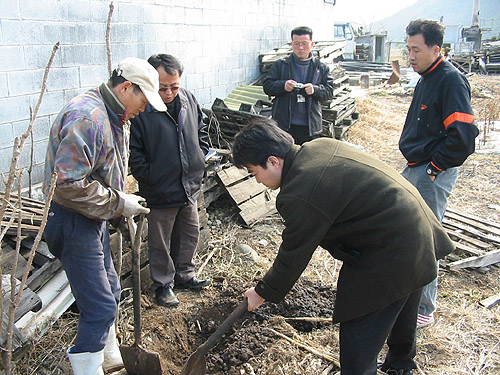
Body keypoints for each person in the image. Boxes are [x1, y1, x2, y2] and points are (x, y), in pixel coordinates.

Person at [232, 118, 456, 375]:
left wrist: (263, 291)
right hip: (415, 229)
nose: (256, 181)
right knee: (402, 306)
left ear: (273, 161)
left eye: (253, 172)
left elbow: (294, 253)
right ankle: (401, 366)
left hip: (390, 248)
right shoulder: (319, 146)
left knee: (358, 342)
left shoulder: (299, 191)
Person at [43, 57, 166, 375]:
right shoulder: (89, 117)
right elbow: (68, 185)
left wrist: (121, 198)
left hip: (91, 216)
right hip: (73, 219)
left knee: (110, 291)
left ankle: (109, 359)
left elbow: (103, 166)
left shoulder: (113, 115)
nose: (144, 108)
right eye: (143, 99)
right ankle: (88, 369)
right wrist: (118, 203)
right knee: (98, 307)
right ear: (126, 87)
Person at [400, 19, 479, 328]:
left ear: (436, 49)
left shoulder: (451, 81)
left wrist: (434, 168)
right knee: (409, 231)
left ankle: (424, 308)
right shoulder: (425, 77)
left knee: (425, 237)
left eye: (416, 50)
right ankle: (411, 295)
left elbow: (462, 136)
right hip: (416, 166)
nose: (411, 56)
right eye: (408, 50)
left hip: (431, 172)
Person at [129, 54, 211, 308]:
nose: (169, 93)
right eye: (162, 87)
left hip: (189, 182)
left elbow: (202, 128)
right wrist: (150, 176)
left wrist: (201, 155)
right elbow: (133, 150)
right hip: (160, 187)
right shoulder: (142, 106)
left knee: (189, 232)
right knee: (160, 240)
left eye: (174, 86)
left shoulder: (187, 98)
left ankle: (185, 276)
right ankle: (163, 285)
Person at [263, 26, 334, 145]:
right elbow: (267, 86)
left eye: (304, 44)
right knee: (286, 159)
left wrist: (315, 90)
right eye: (296, 44)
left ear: (312, 44)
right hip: (285, 126)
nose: (300, 48)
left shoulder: (320, 67)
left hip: (310, 127)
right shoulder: (281, 65)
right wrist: (283, 86)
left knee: (308, 160)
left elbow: (329, 91)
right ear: (291, 44)